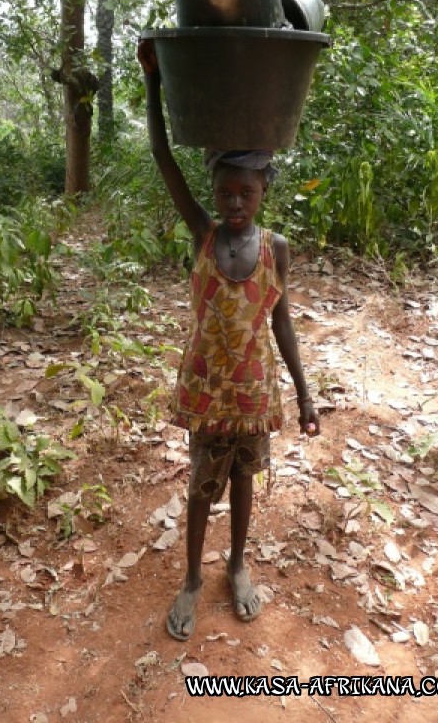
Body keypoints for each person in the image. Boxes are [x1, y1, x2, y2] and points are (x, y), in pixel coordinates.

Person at [138, 40, 320, 641]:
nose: (235, 203)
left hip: (252, 395)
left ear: (264, 189)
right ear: (212, 191)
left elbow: (283, 323)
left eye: (247, 192)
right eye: (225, 193)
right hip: (207, 392)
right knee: (200, 487)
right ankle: (192, 577)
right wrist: (154, 80)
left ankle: (238, 565)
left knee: (244, 481)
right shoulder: (203, 234)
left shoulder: (276, 250)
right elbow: (163, 153)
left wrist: (305, 395)